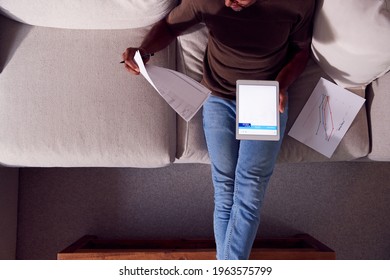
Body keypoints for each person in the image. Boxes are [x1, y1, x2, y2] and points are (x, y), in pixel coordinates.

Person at [122, 0, 315, 260]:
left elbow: (301, 51)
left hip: (264, 95)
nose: (228, 2)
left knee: (250, 187)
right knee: (225, 187)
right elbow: (169, 27)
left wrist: (282, 84)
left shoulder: (297, 3)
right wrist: (144, 51)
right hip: (218, 96)